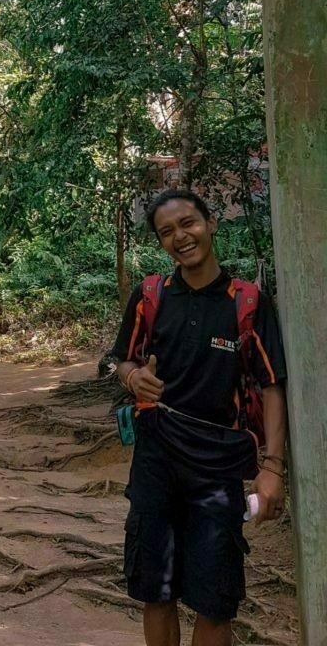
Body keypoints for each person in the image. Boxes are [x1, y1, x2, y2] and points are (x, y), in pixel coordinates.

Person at [112, 189, 287, 646]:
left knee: (215, 600)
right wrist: (133, 380)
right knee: (156, 590)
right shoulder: (150, 295)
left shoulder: (246, 302)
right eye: (166, 232)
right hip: (155, 462)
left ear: (210, 223)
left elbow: (272, 384)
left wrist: (272, 468)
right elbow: (123, 361)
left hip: (217, 468)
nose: (180, 237)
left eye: (188, 223)